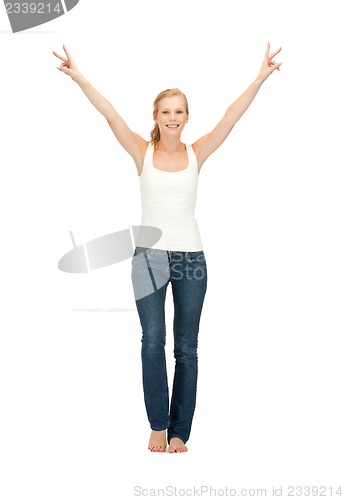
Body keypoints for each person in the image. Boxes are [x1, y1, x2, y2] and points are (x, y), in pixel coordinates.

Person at [53, 43, 282, 453]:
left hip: (192, 259)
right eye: (166, 112)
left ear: (187, 118)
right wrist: (80, 77)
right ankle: (159, 425)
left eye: (179, 111)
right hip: (149, 259)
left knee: (187, 349)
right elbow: (111, 115)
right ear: (157, 118)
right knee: (151, 339)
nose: (173, 118)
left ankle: (180, 431)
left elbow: (231, 117)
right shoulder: (143, 151)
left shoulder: (199, 152)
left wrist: (260, 77)